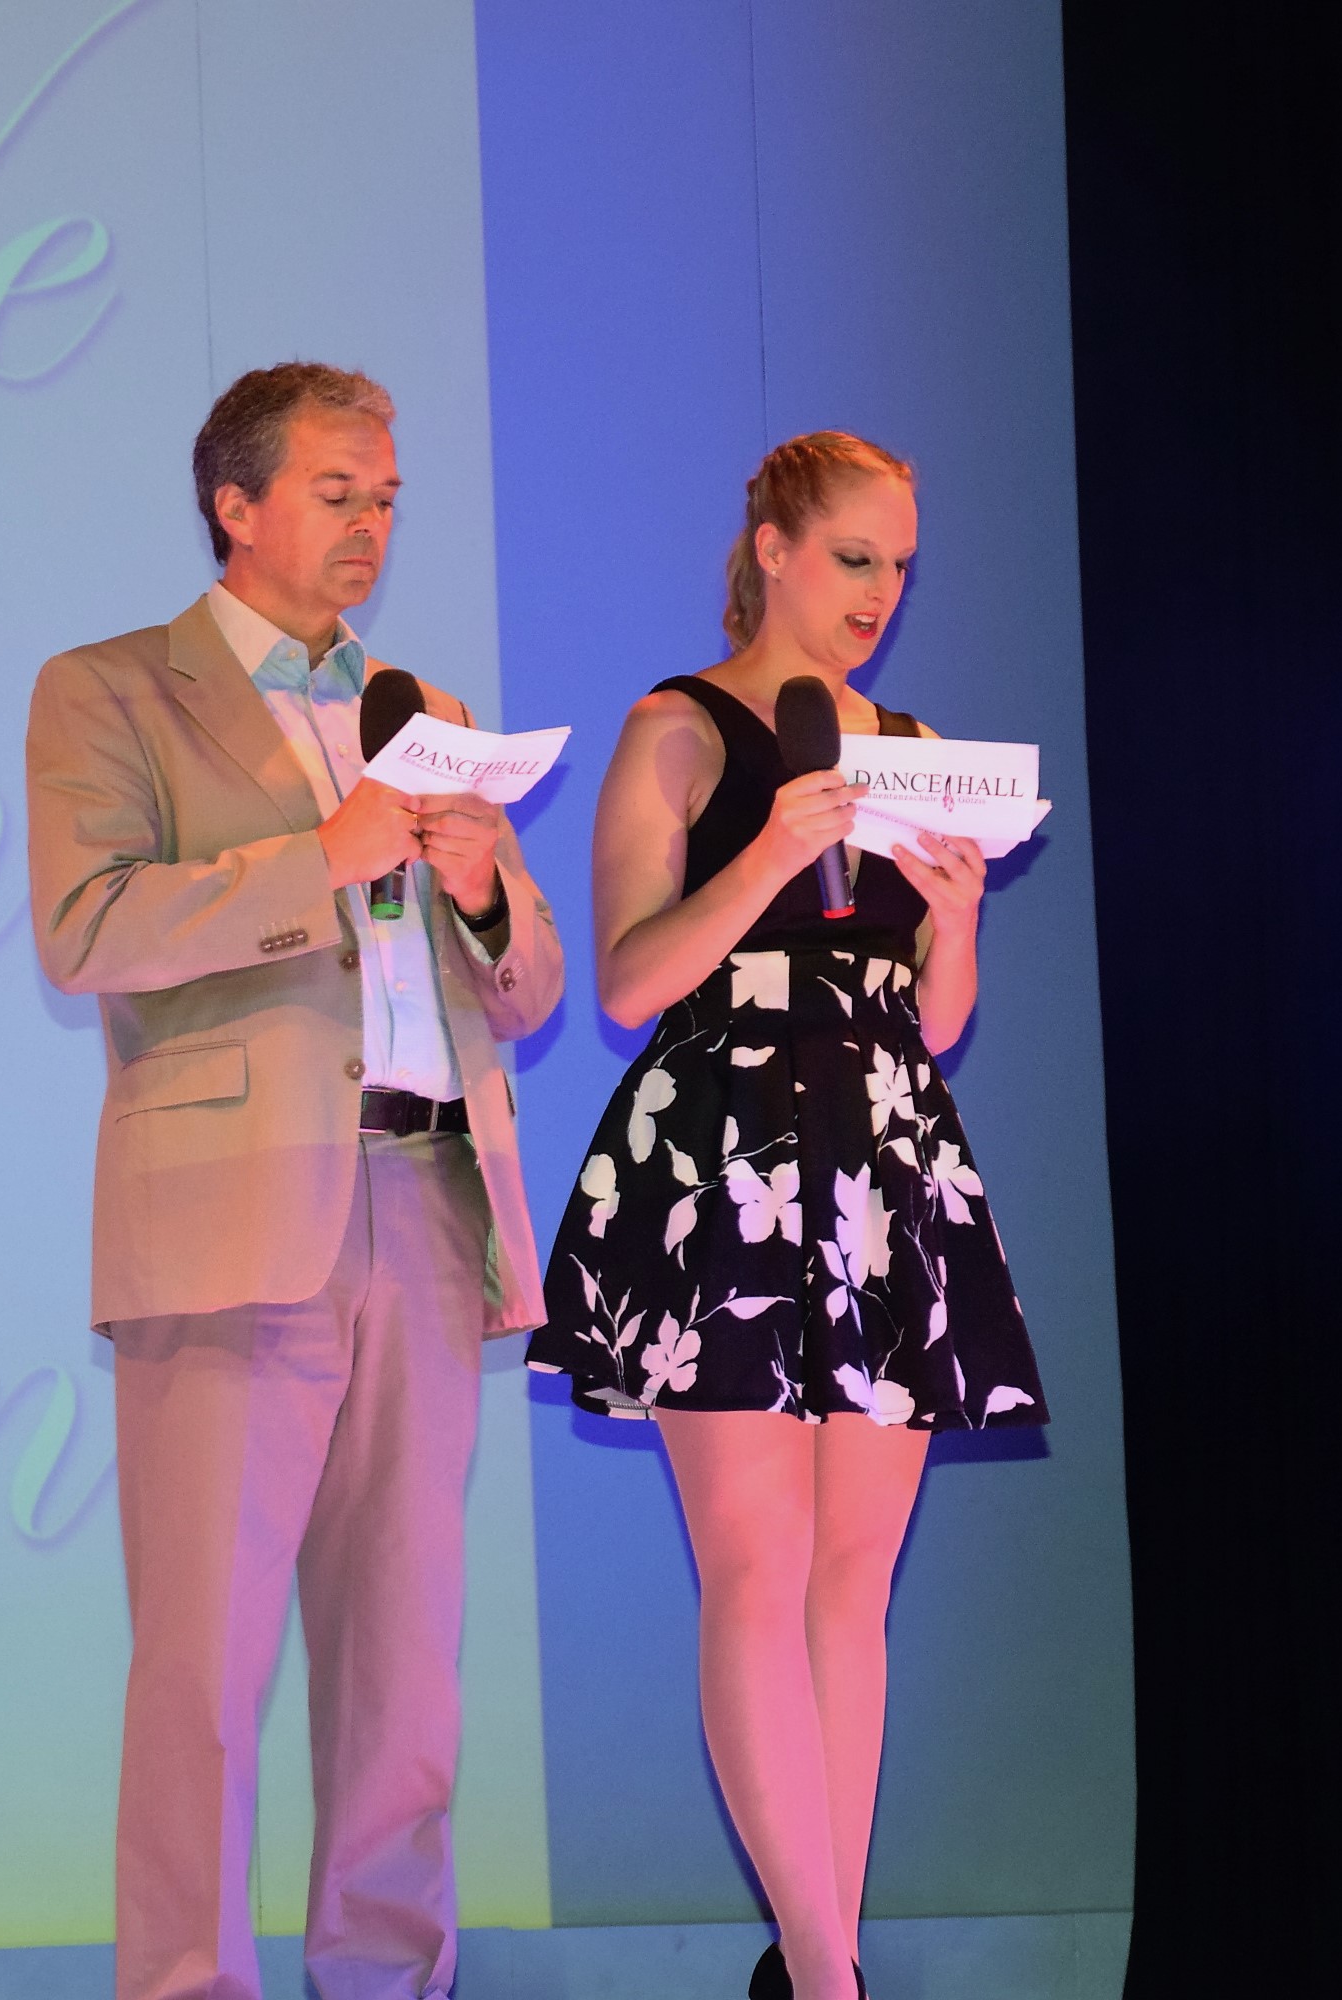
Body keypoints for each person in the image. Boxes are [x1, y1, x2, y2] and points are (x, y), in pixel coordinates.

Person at [25, 362, 564, 2000]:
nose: (371, 525)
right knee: (204, 1663)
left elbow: (532, 988)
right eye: (338, 493)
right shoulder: (111, 688)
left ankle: (390, 1979)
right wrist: (318, 861)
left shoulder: (426, 709)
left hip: (428, 1199)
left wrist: (485, 893)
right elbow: (86, 928)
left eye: (386, 497)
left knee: (404, 1660)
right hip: (234, 1214)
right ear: (236, 504)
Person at [525, 431, 1049, 2000]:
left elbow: (934, 1021)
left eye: (901, 567)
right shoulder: (678, 728)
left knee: (853, 1580)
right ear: (772, 549)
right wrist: (774, 846)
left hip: (883, 1153)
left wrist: (956, 920)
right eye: (852, 558)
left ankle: (827, 1956)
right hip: (723, 1153)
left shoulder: (913, 748)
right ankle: (829, 1983)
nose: (880, 593)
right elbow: (630, 979)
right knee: (755, 1564)